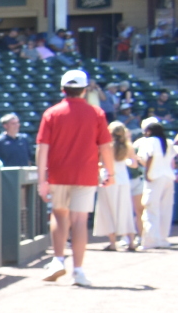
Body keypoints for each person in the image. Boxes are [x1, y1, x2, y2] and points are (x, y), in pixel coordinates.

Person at [37, 69, 116, 287]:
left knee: (59, 215)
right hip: (86, 174)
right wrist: (111, 173)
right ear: (84, 90)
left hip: (58, 173)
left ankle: (58, 260)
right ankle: (78, 271)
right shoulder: (97, 113)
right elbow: (106, 147)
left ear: (63, 89)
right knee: (80, 221)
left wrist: (41, 179)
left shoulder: (52, 113)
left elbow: (42, 148)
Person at [94, 122, 140, 252]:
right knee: (125, 209)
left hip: (108, 179)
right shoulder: (128, 146)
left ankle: (113, 243)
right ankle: (131, 242)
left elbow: (101, 163)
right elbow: (134, 164)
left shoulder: (105, 146)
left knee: (108, 209)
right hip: (124, 180)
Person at [138, 119, 175, 249]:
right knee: (165, 209)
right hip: (168, 177)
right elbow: (172, 162)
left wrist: (147, 173)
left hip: (155, 177)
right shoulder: (168, 142)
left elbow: (149, 158)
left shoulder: (150, 141)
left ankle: (150, 241)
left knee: (151, 207)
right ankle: (162, 239)